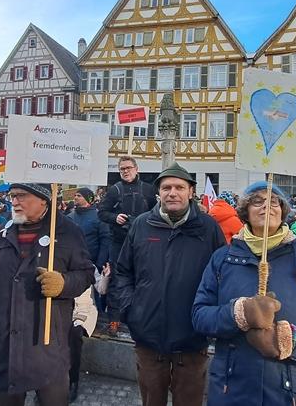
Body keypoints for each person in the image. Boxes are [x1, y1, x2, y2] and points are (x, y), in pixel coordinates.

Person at [193, 181, 296, 405]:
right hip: (233, 390)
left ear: (284, 211)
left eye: (275, 201)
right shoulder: (222, 260)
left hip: (295, 394)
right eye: (257, 201)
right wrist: (239, 313)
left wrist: (288, 340)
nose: (267, 206)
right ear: (245, 212)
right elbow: (200, 316)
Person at [0, 182, 94, 405]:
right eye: (12, 196)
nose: (13, 202)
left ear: (43, 199)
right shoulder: (1, 235)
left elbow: (86, 275)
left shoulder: (67, 232)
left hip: (47, 348)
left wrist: (63, 283)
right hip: (4, 347)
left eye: (21, 196)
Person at [115, 163, 225, 406]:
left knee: (189, 400)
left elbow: (222, 276)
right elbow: (123, 272)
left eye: (179, 187)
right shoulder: (142, 225)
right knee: (151, 400)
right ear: (158, 194)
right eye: (166, 188)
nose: (172, 192)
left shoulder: (208, 228)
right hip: (148, 336)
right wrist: (131, 310)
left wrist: (210, 318)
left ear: (190, 192)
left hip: (192, 337)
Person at [97, 155, 156, 336]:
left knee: (143, 279)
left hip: (143, 243)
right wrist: (115, 218)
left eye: (128, 168)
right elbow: (101, 212)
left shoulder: (148, 189)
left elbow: (157, 212)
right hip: (119, 242)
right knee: (116, 279)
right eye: (122, 169)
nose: (125, 171)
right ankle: (114, 319)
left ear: (136, 169)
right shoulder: (114, 190)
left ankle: (141, 318)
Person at [68, 267, 109, 402]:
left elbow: (101, 290)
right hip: (64, 311)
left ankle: (73, 381)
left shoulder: (89, 267)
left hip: (84, 312)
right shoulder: (62, 262)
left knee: (74, 334)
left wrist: (105, 276)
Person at [68, 188, 111, 270]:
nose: (75, 197)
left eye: (79, 196)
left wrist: (100, 263)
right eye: (75, 195)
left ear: (88, 199)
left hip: (91, 264)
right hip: (71, 263)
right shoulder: (69, 217)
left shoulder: (99, 217)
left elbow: (105, 241)